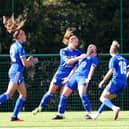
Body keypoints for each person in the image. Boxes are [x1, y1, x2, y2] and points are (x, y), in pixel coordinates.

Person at [32, 28, 88, 115]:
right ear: (71, 41)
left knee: (63, 95)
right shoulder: (63, 51)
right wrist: (79, 57)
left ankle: (59, 114)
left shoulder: (78, 52)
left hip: (68, 76)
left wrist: (68, 77)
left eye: (77, 42)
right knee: (50, 92)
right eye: (75, 42)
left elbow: (75, 67)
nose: (77, 44)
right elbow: (68, 62)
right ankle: (40, 107)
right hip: (59, 74)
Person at [0, 29, 38, 121]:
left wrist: (28, 61)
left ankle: (14, 116)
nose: (25, 36)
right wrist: (32, 62)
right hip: (16, 72)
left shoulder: (13, 45)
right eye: (23, 34)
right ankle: (14, 116)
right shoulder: (20, 47)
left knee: (23, 95)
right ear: (19, 36)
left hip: (16, 71)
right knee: (9, 94)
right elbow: (24, 64)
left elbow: (21, 62)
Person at [52, 44, 98, 120]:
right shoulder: (82, 56)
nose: (90, 47)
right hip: (74, 77)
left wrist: (88, 78)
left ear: (95, 50)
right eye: (89, 46)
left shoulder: (94, 58)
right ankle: (60, 114)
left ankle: (89, 114)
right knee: (64, 95)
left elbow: (92, 68)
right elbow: (75, 68)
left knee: (82, 94)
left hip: (83, 77)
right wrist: (68, 77)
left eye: (92, 47)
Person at [88, 40, 129, 120]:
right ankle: (96, 116)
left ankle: (114, 108)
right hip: (124, 83)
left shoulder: (113, 59)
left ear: (111, 50)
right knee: (107, 99)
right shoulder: (124, 59)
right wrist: (125, 77)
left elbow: (111, 71)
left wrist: (103, 81)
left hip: (116, 81)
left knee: (102, 98)